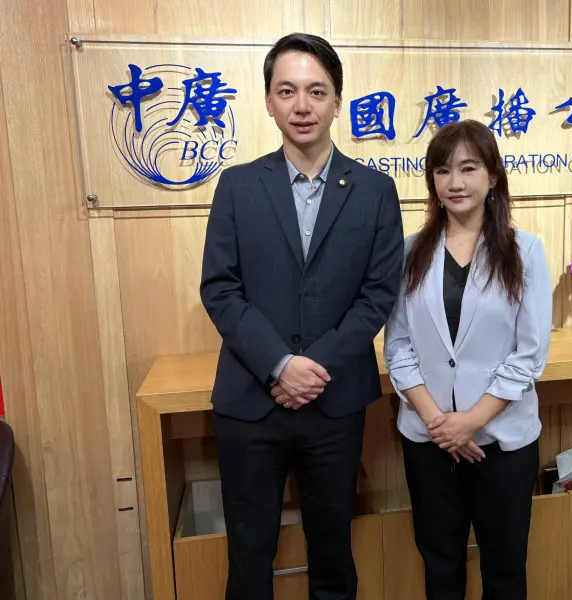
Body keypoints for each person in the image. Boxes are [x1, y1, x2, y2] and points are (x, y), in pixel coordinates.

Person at [200, 33, 404, 600]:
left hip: (333, 403)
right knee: (249, 558)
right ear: (268, 102)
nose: (302, 105)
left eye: (317, 91)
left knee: (333, 556)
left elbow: (378, 294)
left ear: (338, 101)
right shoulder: (238, 186)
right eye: (287, 91)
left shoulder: (375, 191)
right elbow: (220, 288)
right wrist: (279, 364)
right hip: (251, 400)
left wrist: (311, 368)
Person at [383, 119, 552, 600]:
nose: (454, 182)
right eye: (442, 171)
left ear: (493, 176)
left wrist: (471, 422)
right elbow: (397, 346)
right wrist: (440, 424)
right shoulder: (410, 252)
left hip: (501, 441)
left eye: (468, 168)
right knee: (440, 565)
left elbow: (529, 355)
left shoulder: (525, 251)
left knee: (505, 569)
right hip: (429, 441)